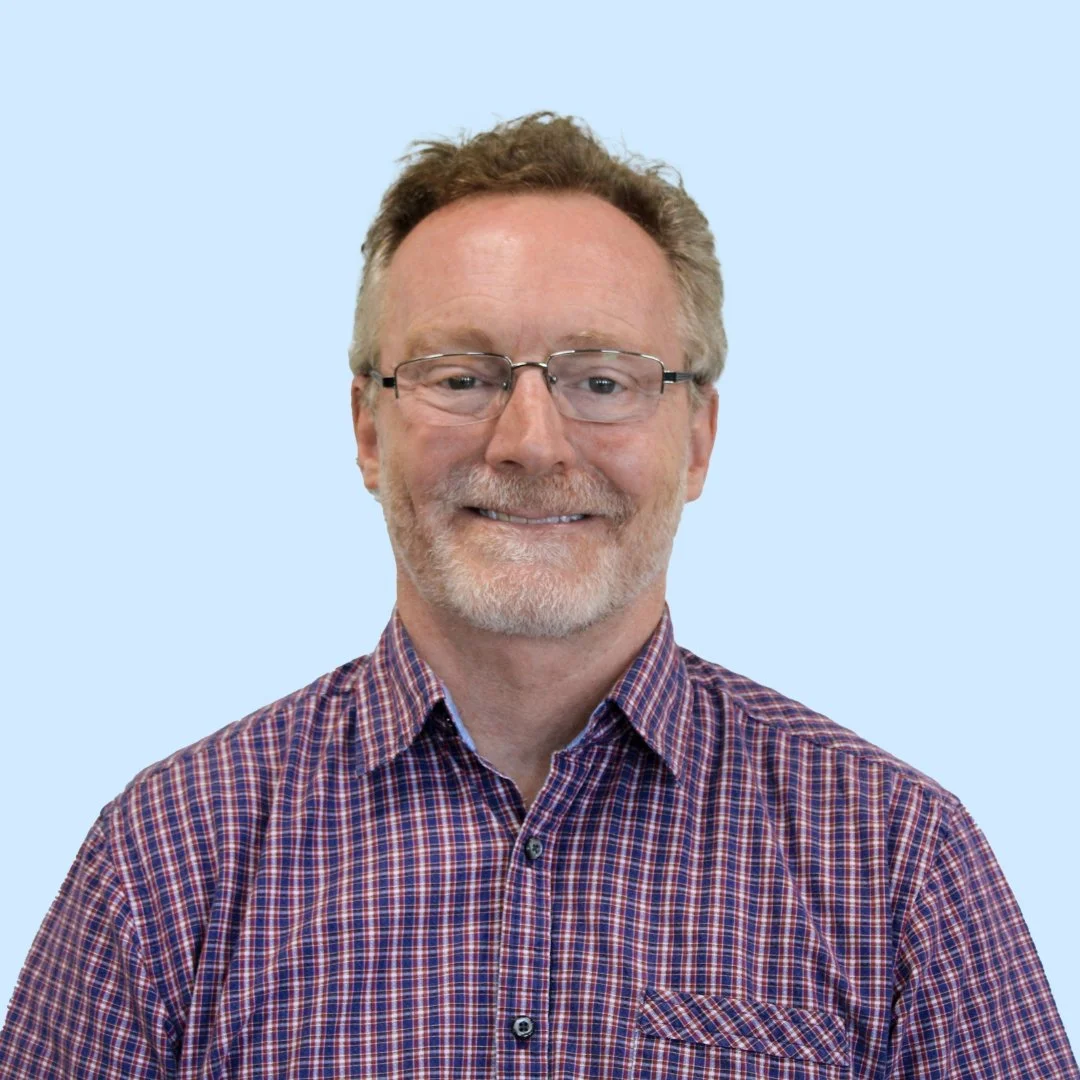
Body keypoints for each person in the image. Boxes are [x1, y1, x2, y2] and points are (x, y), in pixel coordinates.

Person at [0, 113, 1075, 1080]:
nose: (527, 442)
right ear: (368, 430)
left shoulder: (895, 859)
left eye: (602, 380)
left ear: (697, 439)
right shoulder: (169, 857)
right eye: (461, 376)